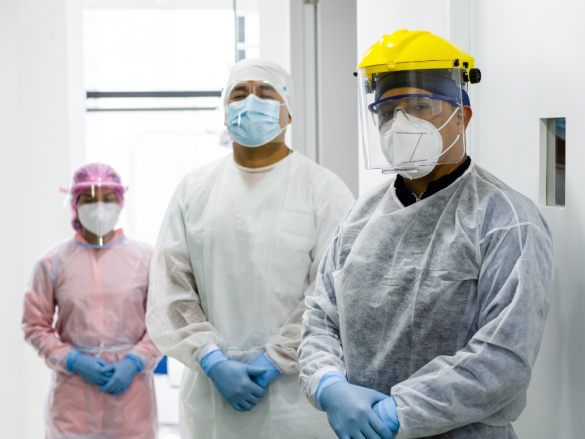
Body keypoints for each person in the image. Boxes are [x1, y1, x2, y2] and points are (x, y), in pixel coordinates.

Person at [298, 29, 554, 439]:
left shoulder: (505, 218)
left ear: (461, 117)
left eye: (420, 106)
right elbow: (320, 319)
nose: (400, 124)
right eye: (387, 111)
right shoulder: (360, 217)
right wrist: (328, 384)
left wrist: (397, 413)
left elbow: (504, 356)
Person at [146, 58, 355, 439]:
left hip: (297, 400)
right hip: (211, 402)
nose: (251, 101)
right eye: (239, 94)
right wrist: (211, 358)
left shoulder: (323, 190)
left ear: (289, 112)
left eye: (266, 93)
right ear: (225, 113)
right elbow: (172, 286)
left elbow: (335, 292)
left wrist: (276, 359)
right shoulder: (194, 189)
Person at [22, 163, 161, 439]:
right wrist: (72, 359)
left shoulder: (146, 258)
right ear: (75, 204)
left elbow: (163, 321)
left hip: (132, 398)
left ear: (120, 203)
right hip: (73, 401)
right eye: (89, 199)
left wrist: (135, 361)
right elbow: (34, 325)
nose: (99, 208)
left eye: (108, 199)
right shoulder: (53, 261)